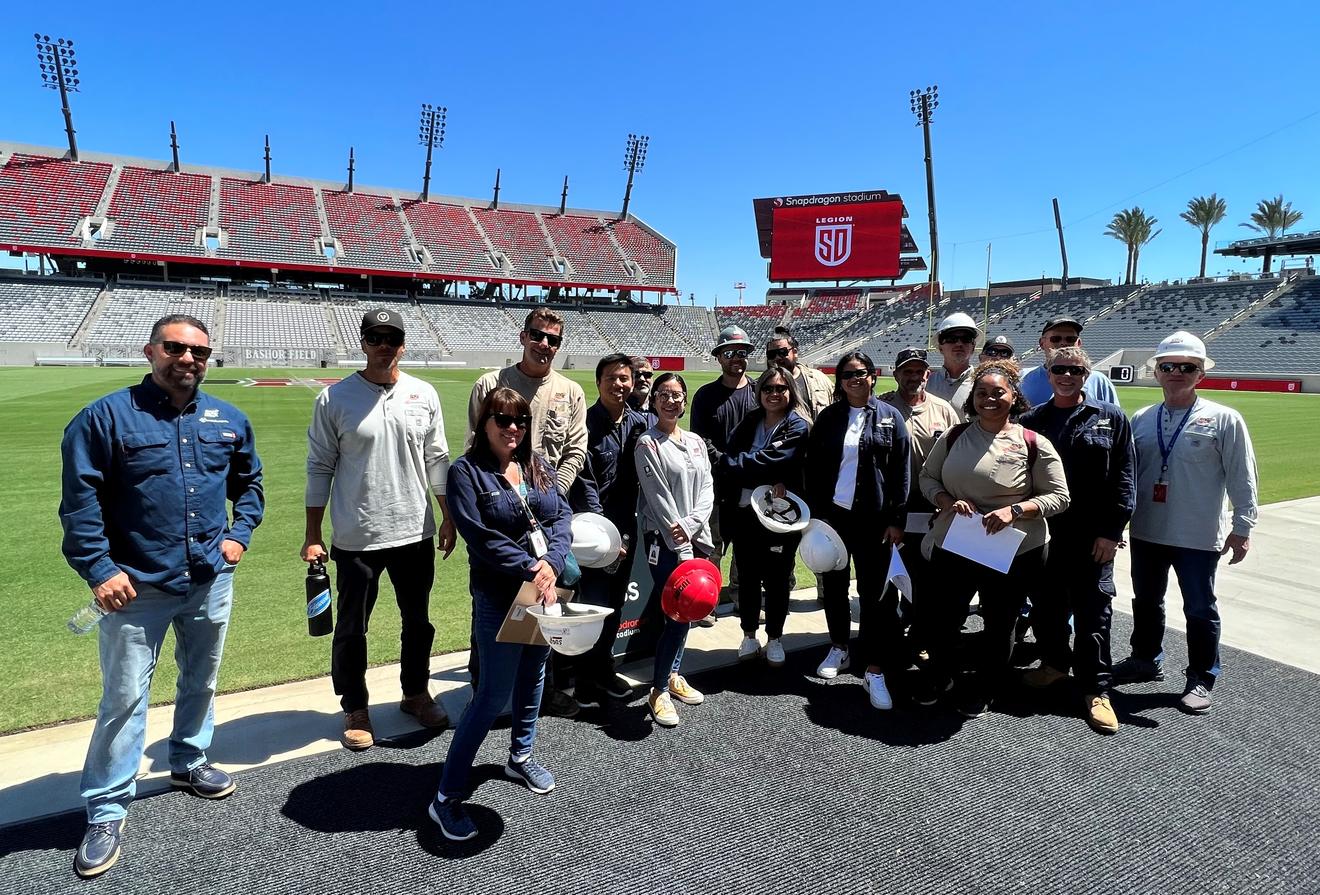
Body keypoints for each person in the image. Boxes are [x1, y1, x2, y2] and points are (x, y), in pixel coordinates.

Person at [59, 315, 264, 879]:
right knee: (123, 698)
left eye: (199, 351)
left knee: (201, 678)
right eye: (175, 348)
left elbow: (251, 484)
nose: (188, 359)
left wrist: (237, 536)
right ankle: (106, 807)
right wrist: (100, 570)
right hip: (135, 588)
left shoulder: (229, 418)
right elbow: (79, 506)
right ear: (151, 351)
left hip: (208, 578)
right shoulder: (104, 418)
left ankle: (189, 760)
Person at [303, 308, 454, 751]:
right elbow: (319, 467)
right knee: (352, 627)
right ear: (363, 342)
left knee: (418, 622)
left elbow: (436, 458)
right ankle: (355, 706)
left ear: (402, 344)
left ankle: (415, 693)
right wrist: (313, 534)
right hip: (357, 536)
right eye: (375, 337)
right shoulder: (335, 399)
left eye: (391, 338)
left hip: (414, 531)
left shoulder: (423, 394)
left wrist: (446, 515)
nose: (383, 345)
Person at [429, 388, 572, 841]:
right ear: (484, 422)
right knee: (491, 696)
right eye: (502, 419)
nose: (513, 428)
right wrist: (534, 564)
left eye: (520, 421)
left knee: (535, 674)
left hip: (540, 593)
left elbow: (562, 517)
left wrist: (551, 560)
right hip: (499, 595)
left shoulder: (536, 466)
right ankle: (445, 798)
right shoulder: (465, 473)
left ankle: (521, 756)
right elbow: (479, 535)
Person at [1112, 331, 1258, 715]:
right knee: (1146, 600)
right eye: (1168, 366)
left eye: (1186, 367)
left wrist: (1243, 527)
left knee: (1199, 607)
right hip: (1147, 529)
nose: (1176, 372)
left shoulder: (1224, 419)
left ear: (1200, 374)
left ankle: (1201, 677)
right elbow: (1126, 476)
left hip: (1196, 533)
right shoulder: (1142, 418)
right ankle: (1145, 659)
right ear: (1157, 372)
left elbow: (1243, 475)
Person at [918, 360, 1071, 718]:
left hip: (1013, 550)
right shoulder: (954, 436)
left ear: (1013, 396)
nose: (989, 399)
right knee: (944, 617)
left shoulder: (1032, 442)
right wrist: (946, 501)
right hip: (956, 543)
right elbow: (928, 478)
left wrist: (1015, 511)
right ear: (972, 398)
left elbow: (1060, 497)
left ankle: (987, 685)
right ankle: (941, 675)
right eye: (982, 393)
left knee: (1000, 622)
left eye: (998, 392)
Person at [467, 308, 587, 715]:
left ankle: (542, 684)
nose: (545, 345)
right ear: (523, 336)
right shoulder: (491, 384)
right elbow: (473, 447)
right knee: (491, 590)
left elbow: (575, 450)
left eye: (554, 339)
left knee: (554, 587)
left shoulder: (570, 391)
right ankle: (484, 684)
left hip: (546, 512)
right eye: (538, 335)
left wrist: (547, 496)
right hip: (499, 511)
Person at [1020, 346, 1135, 734]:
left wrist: (1112, 532)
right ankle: (1054, 664)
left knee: (1093, 615)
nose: (1067, 376)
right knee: (1047, 608)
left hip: (1092, 536)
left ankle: (1096, 689)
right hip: (1046, 534)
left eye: (1075, 370)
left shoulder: (1110, 417)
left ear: (1087, 375)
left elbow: (1124, 477)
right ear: (1048, 374)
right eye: (1059, 369)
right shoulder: (1032, 420)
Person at [805, 352, 910, 709]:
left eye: (860, 373)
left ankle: (873, 666)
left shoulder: (890, 417)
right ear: (840, 381)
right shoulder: (829, 417)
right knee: (833, 585)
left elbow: (901, 471)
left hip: (875, 519)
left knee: (874, 594)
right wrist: (816, 514)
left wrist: (897, 519)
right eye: (847, 374)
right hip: (835, 516)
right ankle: (839, 647)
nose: (854, 379)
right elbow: (814, 467)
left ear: (872, 376)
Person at [568, 353, 650, 708]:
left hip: (626, 528)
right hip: (592, 530)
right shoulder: (584, 423)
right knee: (591, 605)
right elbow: (584, 482)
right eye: (613, 378)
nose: (620, 384)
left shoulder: (638, 424)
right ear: (598, 382)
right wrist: (605, 536)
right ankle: (583, 678)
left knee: (615, 604)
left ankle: (603, 670)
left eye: (625, 379)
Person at [635, 372, 715, 727]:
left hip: (696, 536)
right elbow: (659, 498)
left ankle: (673, 674)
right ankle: (658, 690)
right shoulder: (647, 444)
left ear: (685, 401)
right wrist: (681, 536)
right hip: (665, 542)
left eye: (677, 395)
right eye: (664, 394)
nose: (671, 401)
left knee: (689, 611)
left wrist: (695, 523)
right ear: (653, 400)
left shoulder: (696, 441)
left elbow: (708, 488)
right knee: (675, 614)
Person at [878, 347, 962, 670]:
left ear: (928, 374)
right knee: (890, 574)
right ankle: (890, 634)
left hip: (932, 506)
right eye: (907, 371)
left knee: (926, 578)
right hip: (892, 506)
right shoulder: (883, 407)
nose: (913, 377)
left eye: (919, 371)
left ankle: (919, 637)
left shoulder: (945, 411)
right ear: (896, 373)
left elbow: (956, 459)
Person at [721, 367, 811, 666]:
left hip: (780, 517)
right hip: (746, 512)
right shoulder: (750, 420)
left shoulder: (797, 425)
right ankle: (749, 634)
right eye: (768, 388)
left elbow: (771, 460)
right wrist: (741, 464)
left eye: (781, 388)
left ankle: (774, 637)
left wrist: (739, 464)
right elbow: (728, 457)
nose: (774, 394)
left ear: (790, 392)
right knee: (746, 577)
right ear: (759, 392)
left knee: (776, 578)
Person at [689, 324, 758, 613]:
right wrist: (727, 463)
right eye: (729, 353)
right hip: (716, 484)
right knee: (712, 547)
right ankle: (708, 603)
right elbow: (700, 439)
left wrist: (749, 466)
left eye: (741, 353)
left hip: (752, 483)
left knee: (747, 548)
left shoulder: (759, 391)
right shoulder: (706, 395)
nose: (736, 358)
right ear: (719, 357)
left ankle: (742, 598)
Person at [1019, 317, 1120, 407]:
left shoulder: (1098, 381)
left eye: (1070, 339)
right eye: (1056, 339)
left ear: (1079, 343)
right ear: (1042, 343)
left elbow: (1113, 419)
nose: (1063, 343)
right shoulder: (1023, 377)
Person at [765, 325, 834, 421]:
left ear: (795, 352)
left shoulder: (819, 379)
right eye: (772, 354)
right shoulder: (763, 386)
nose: (777, 358)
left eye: (782, 352)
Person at [927, 312, 981, 420]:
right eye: (951, 338)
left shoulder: (983, 383)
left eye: (966, 339)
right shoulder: (926, 384)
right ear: (940, 347)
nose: (959, 344)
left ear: (973, 346)